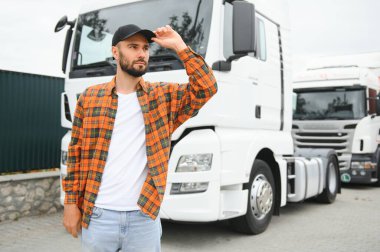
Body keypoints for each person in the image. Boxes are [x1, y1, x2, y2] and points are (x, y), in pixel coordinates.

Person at [62, 24, 218, 252]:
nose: (142, 53)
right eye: (133, 47)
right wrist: (70, 203)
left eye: (145, 48)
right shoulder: (90, 97)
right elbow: (75, 154)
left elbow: (207, 87)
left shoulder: (163, 97)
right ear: (116, 52)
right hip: (98, 215)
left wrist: (180, 46)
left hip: (144, 217)